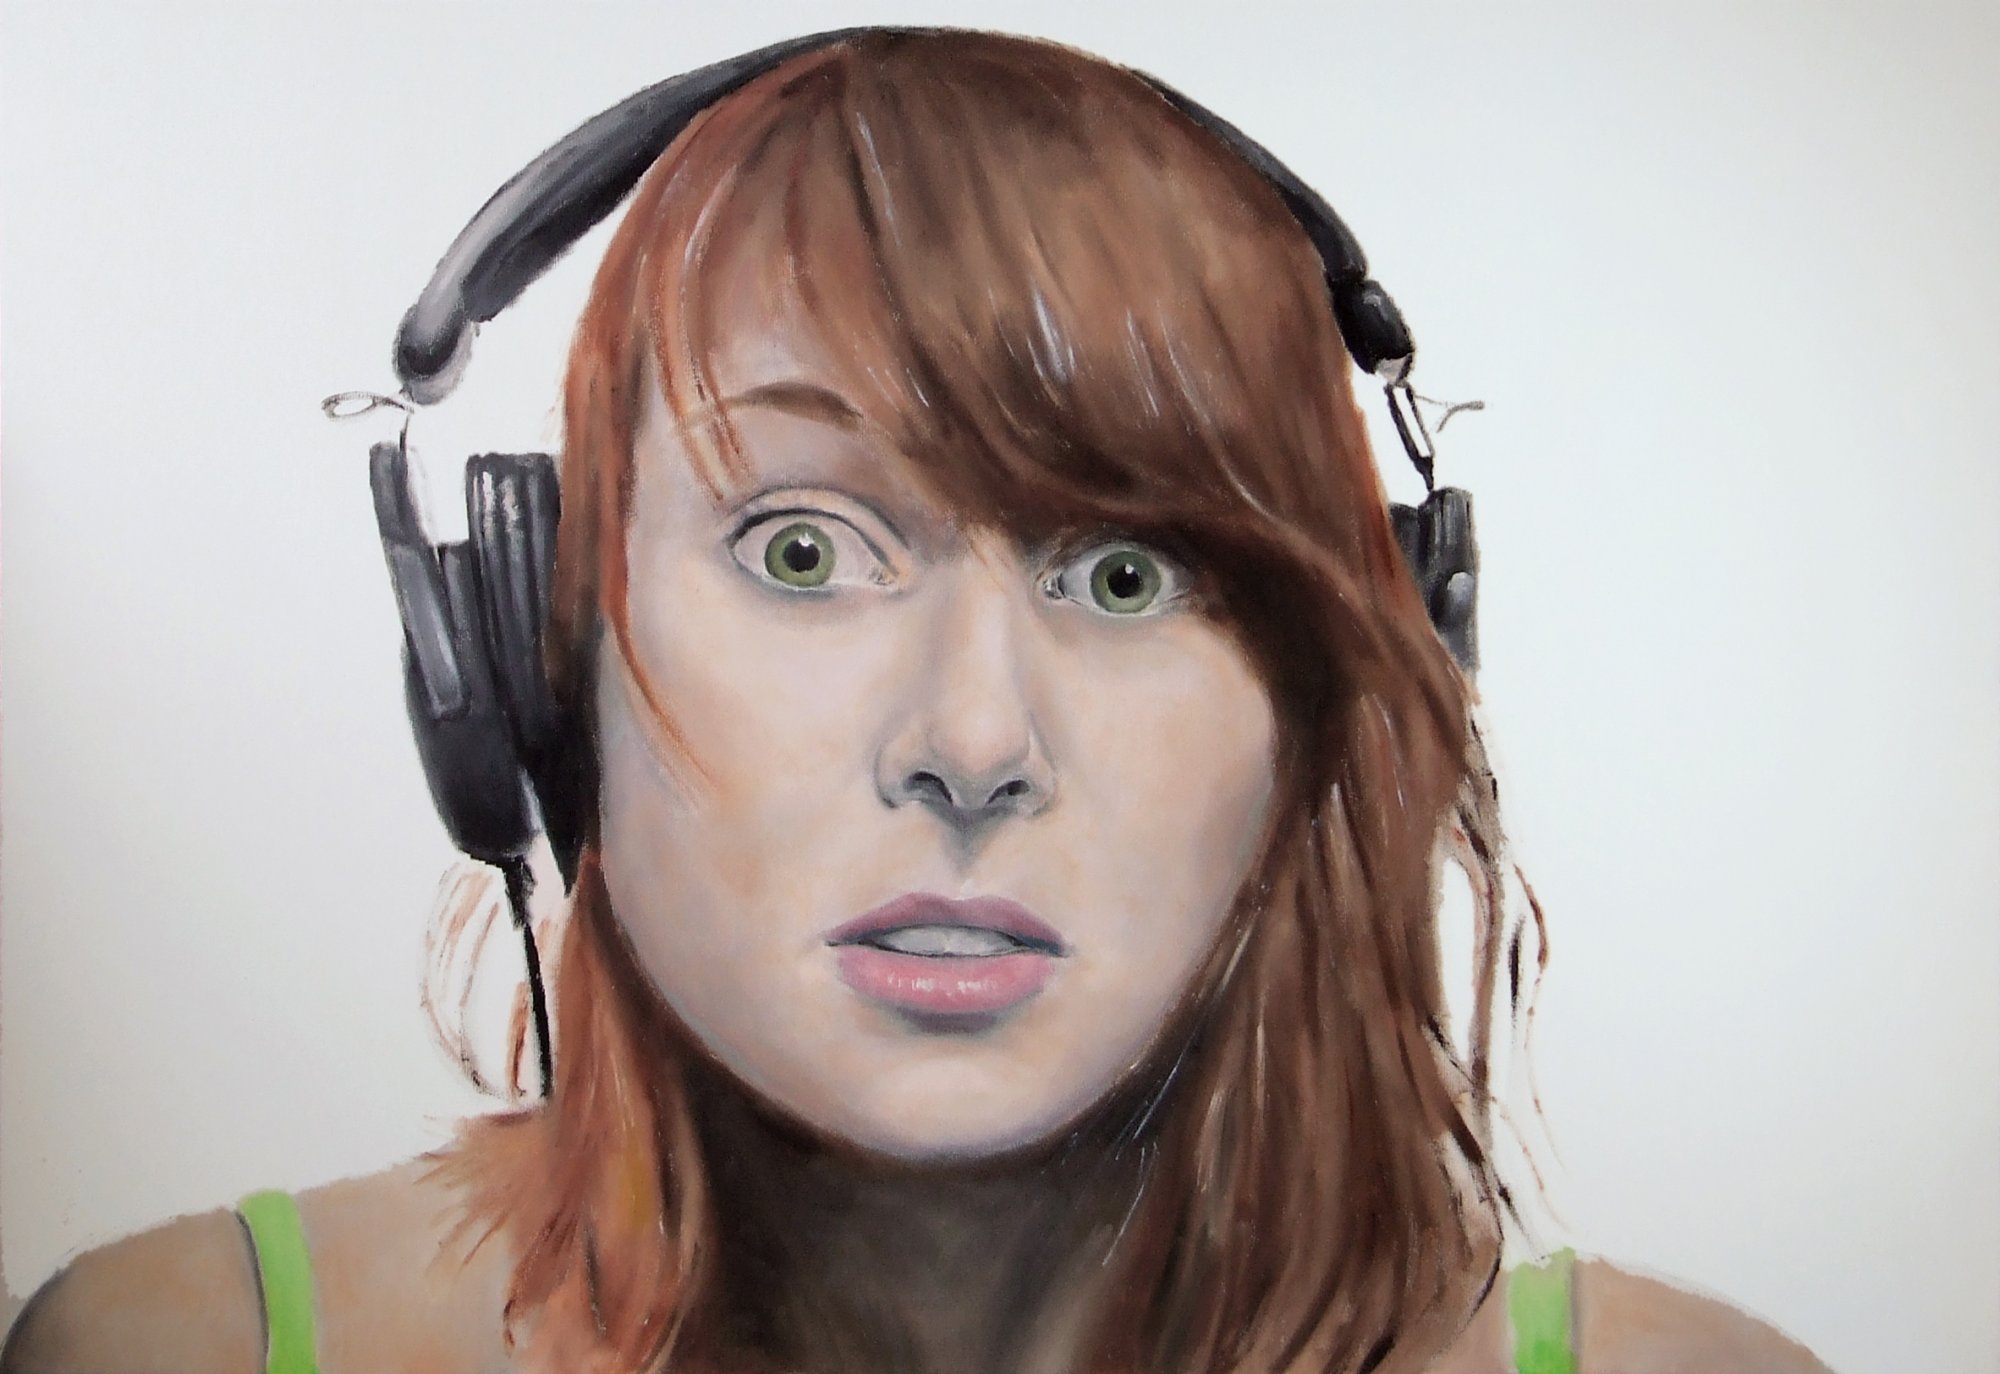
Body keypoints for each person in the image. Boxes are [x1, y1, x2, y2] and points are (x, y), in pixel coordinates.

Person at [0, 28, 1831, 1374]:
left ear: (1329, 700)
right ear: (537, 657)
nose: (970, 747)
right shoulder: (178, 1348)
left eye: (1128, 576)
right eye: (803, 549)